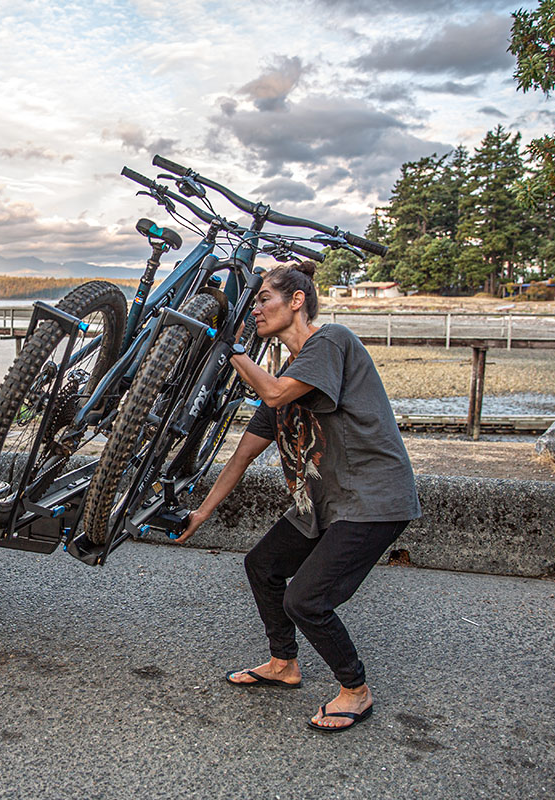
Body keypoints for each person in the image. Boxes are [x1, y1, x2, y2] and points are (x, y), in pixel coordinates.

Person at [175, 260, 420, 734]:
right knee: (263, 565)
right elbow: (242, 456)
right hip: (323, 504)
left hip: (372, 500)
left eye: (264, 298)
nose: (257, 308)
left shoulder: (331, 342)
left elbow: (271, 392)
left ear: (297, 300)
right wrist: (201, 514)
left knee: (307, 600)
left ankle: (355, 690)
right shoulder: (292, 372)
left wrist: (228, 348)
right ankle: (283, 663)